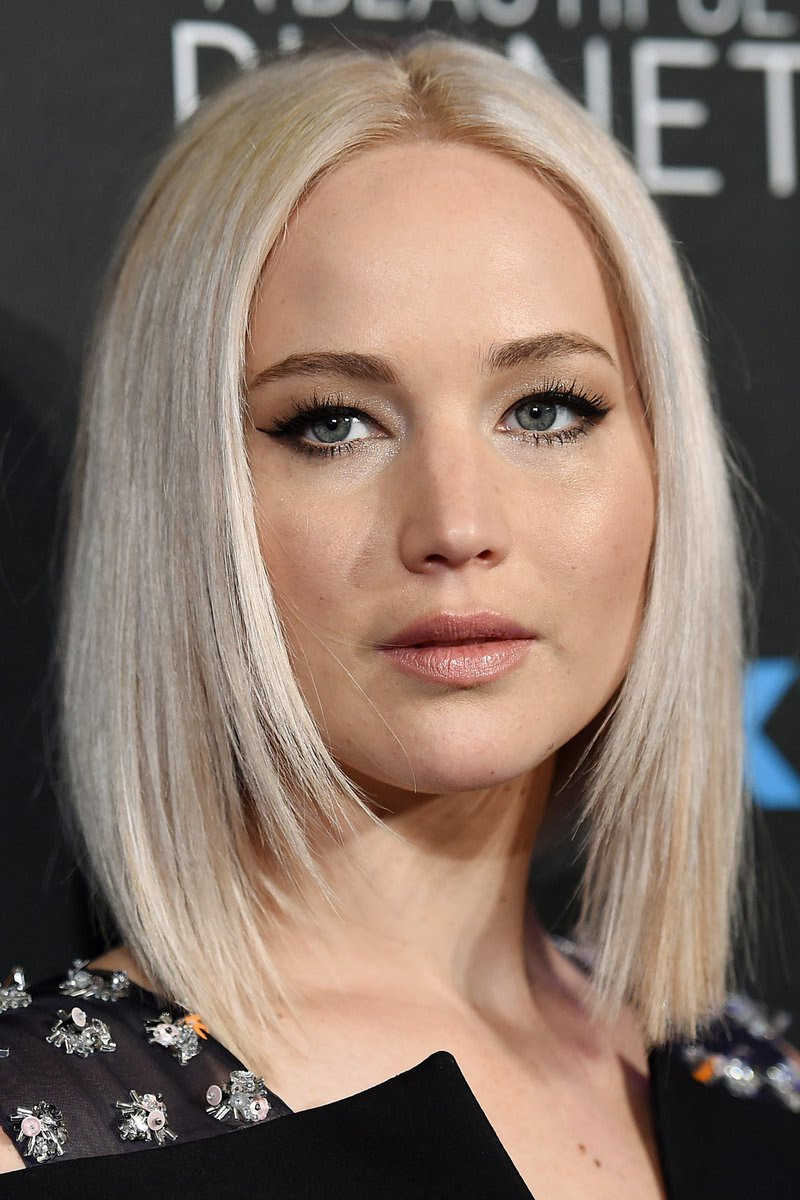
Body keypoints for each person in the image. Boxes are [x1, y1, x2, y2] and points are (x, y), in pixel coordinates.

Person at [0, 31, 797, 1199]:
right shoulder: (37, 1139)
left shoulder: (761, 1091)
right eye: (332, 423)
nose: (456, 523)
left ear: (660, 465)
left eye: (545, 409)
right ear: (180, 502)